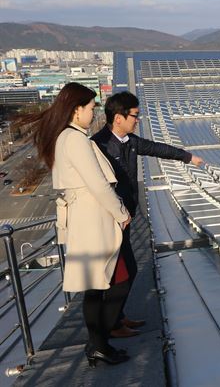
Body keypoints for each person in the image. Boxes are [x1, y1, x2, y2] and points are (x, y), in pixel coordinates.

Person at [19, 82, 131, 366]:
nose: (93, 114)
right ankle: (99, 343)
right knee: (106, 284)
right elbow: (97, 183)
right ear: (76, 109)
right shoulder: (75, 139)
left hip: (85, 216)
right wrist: (121, 213)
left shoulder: (66, 137)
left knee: (96, 286)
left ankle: (99, 345)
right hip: (93, 217)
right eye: (91, 108)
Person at [91, 91, 203, 337]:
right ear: (118, 118)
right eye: (134, 115)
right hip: (110, 221)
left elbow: (155, 148)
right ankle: (111, 326)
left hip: (126, 218)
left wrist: (186, 157)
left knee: (126, 270)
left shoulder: (128, 141)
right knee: (121, 273)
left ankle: (118, 319)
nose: (137, 120)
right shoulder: (98, 145)